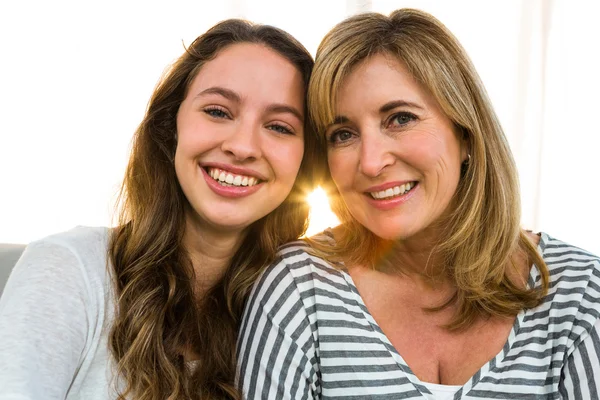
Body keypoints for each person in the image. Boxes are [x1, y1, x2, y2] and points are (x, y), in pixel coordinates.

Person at [237, 8, 600, 399]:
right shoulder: (299, 288)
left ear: (465, 133)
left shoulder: (580, 295)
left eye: (400, 118)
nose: (372, 162)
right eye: (343, 134)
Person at [0, 19, 321, 400]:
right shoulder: (70, 271)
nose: (243, 146)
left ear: (304, 161)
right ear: (171, 126)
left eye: (280, 127)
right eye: (218, 111)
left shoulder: (296, 312)